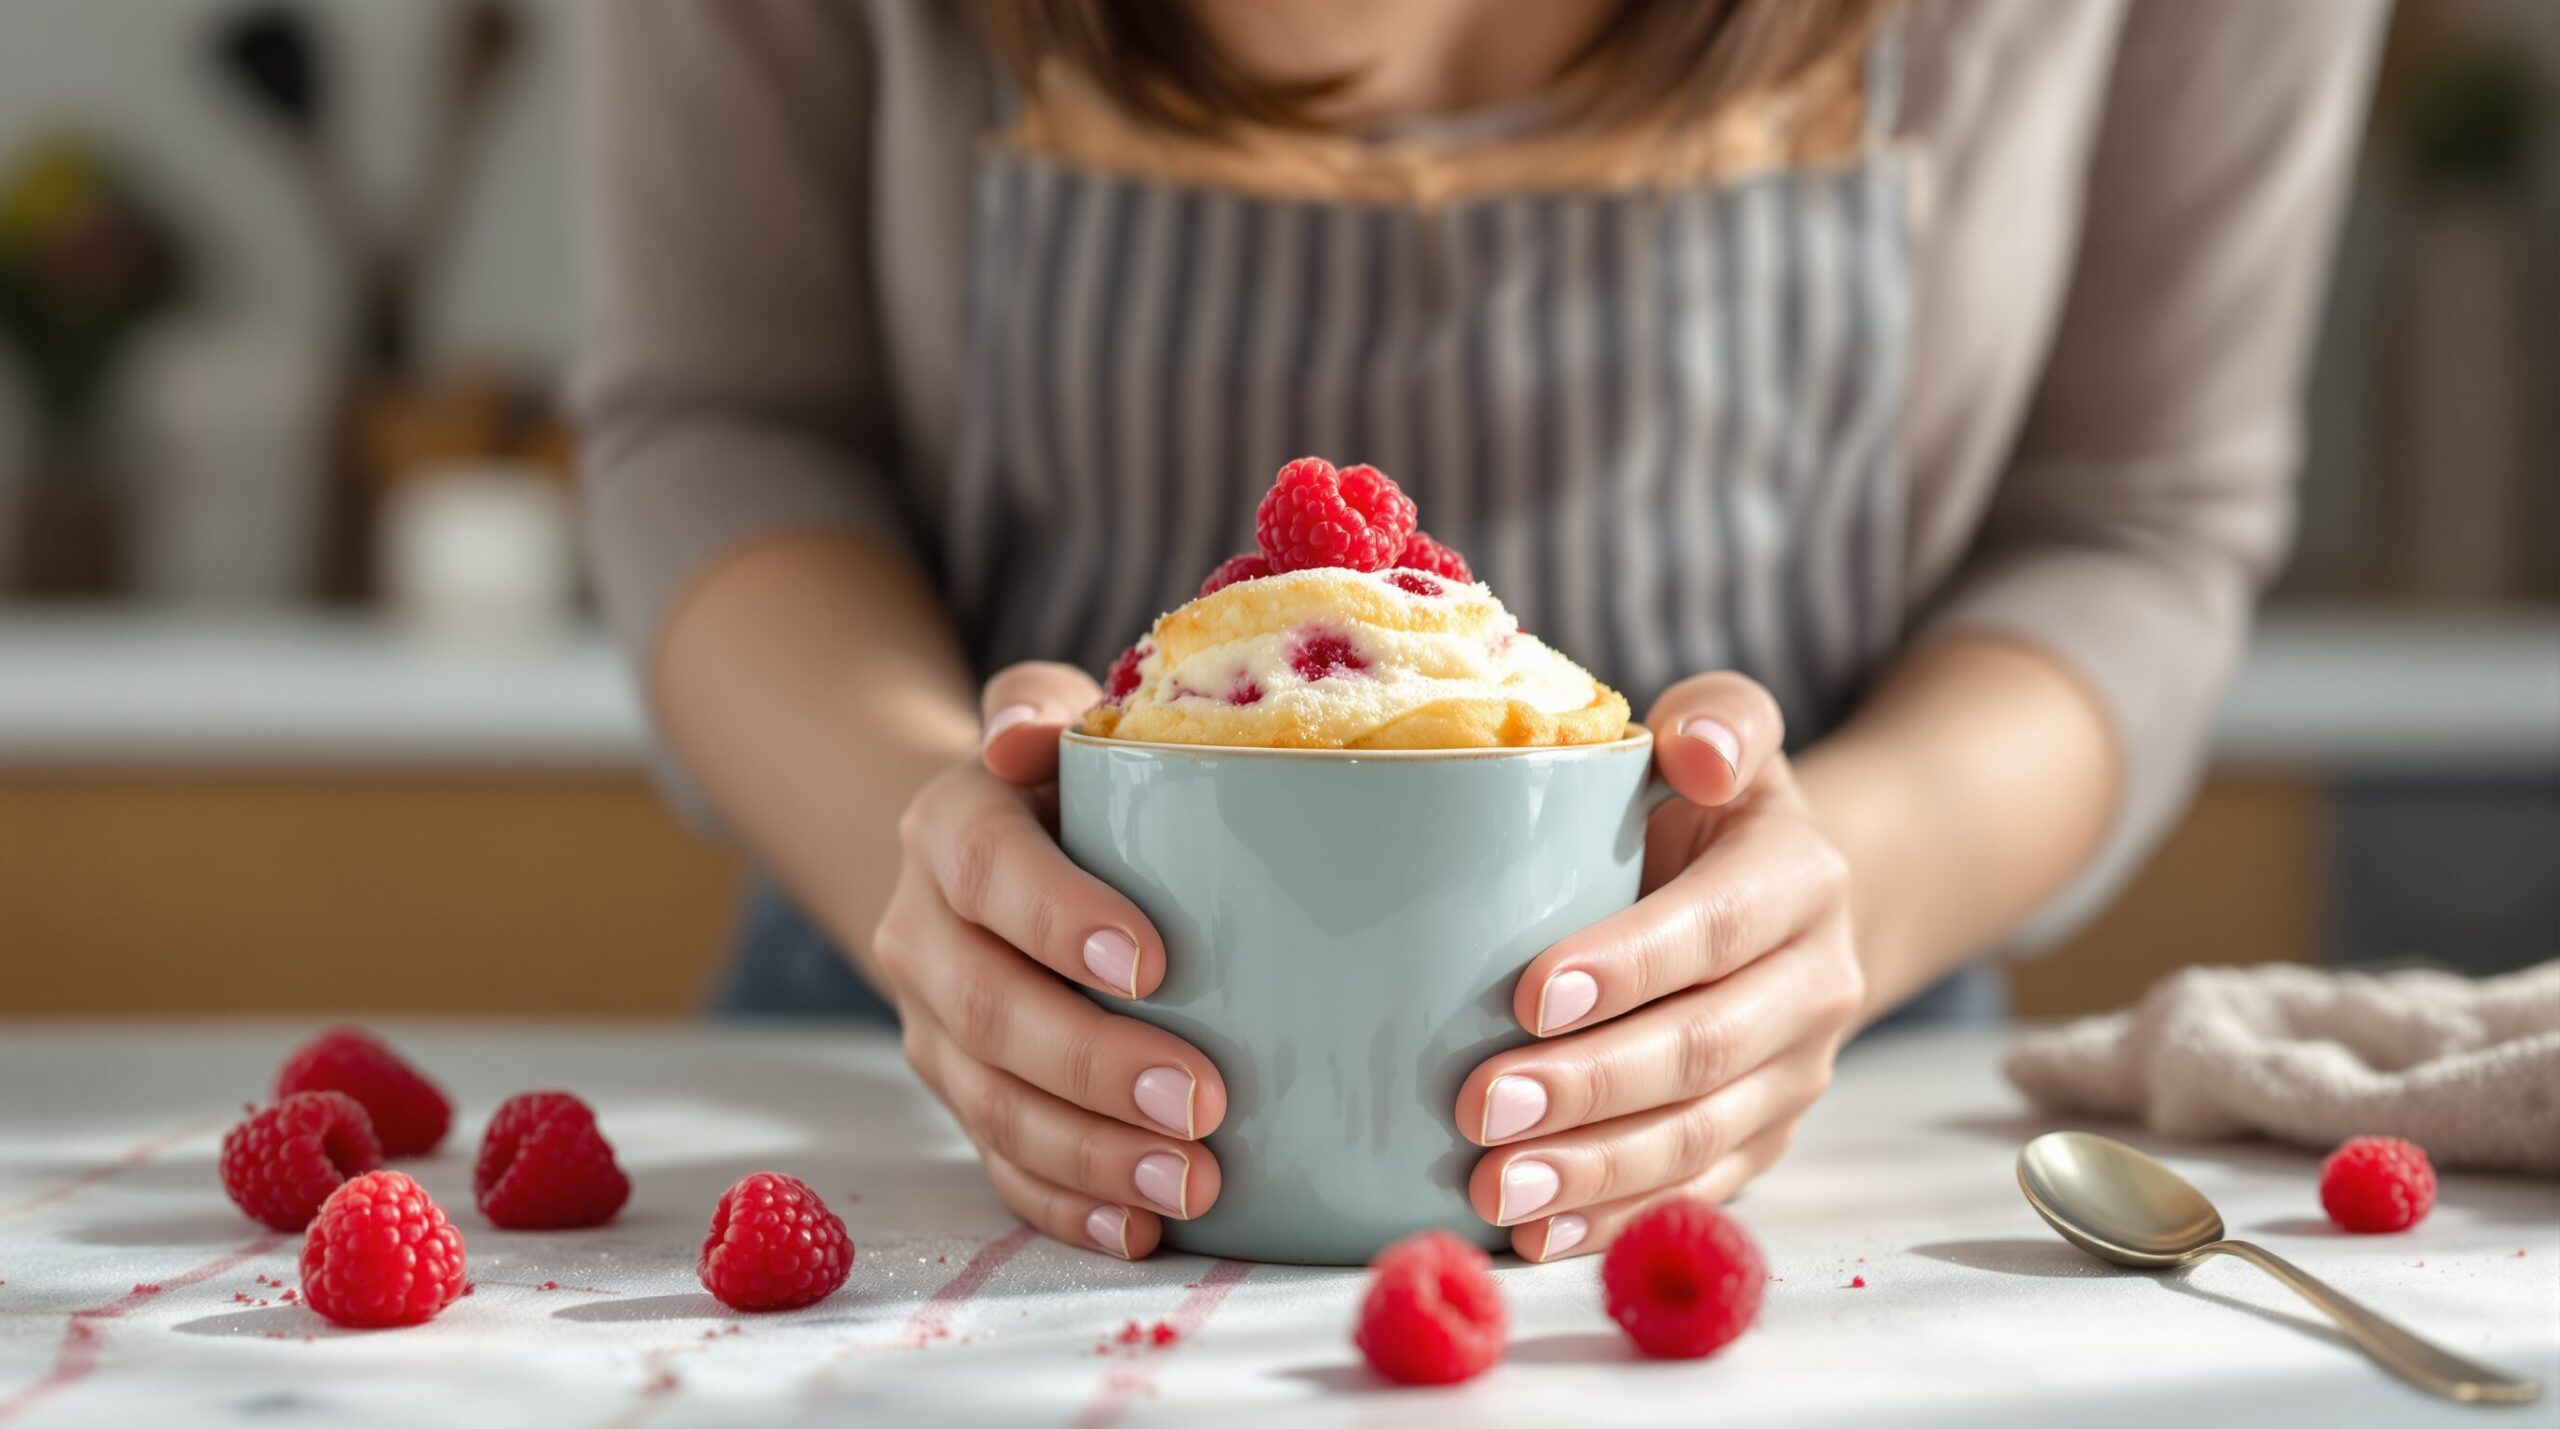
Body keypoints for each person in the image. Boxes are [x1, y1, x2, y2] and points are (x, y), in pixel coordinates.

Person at [574, 0, 2386, 1262]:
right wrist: (942, 853)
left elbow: (2129, 525)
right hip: (946, 1092)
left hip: (1795, 1120)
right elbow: (724, 424)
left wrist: (1836, 893)